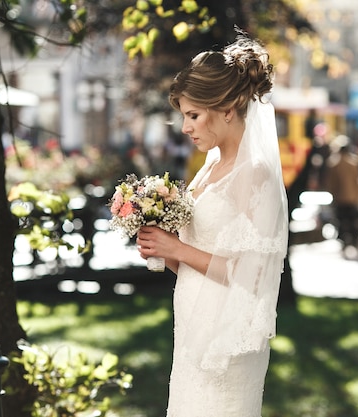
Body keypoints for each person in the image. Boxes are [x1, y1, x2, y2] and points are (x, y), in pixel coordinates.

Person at [136, 33, 288, 417]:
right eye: (184, 116)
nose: (186, 127)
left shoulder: (255, 175)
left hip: (226, 337)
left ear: (228, 108)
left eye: (193, 115)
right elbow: (194, 263)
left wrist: (177, 249)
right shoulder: (209, 169)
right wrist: (161, 248)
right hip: (191, 322)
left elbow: (254, 276)